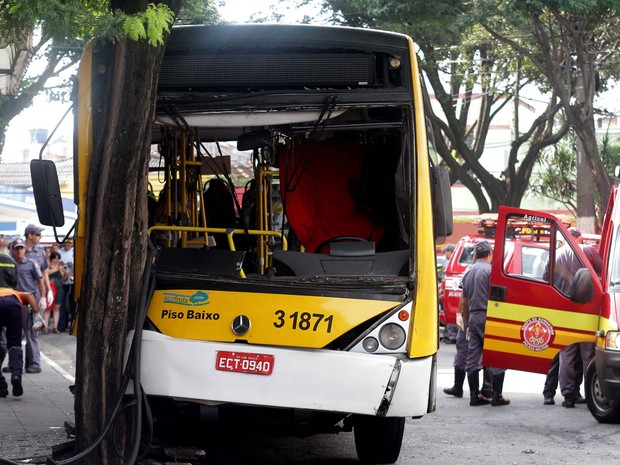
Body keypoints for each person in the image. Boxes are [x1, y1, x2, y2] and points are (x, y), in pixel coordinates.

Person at [462, 240, 510, 407]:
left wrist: (467, 323)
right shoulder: (491, 272)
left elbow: (464, 301)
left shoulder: (468, 272)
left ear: (476, 254)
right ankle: (496, 396)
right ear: (490, 254)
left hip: (474, 317)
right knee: (497, 355)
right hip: (489, 317)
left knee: (473, 357)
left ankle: (474, 397)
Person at [0, 252, 43, 397]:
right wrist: (37, 316)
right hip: (14, 305)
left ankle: (1, 386)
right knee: (15, 345)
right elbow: (29, 296)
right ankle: (16, 375)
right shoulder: (14, 292)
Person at [11, 238, 46, 374]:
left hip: (30, 300)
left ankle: (35, 363)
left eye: (21, 248)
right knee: (15, 333)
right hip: (16, 300)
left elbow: (40, 281)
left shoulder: (31, 263)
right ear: (13, 250)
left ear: (24, 249)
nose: (19, 250)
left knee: (31, 332)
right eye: (17, 248)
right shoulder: (12, 264)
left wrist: (43, 297)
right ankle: (16, 363)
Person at [24, 224, 54, 311]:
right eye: (37, 234)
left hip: (38, 291)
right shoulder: (18, 249)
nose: (40, 237)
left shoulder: (40, 251)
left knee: (38, 320)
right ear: (30, 235)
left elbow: (45, 272)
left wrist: (49, 290)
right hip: (22, 289)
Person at [44, 251, 67, 334]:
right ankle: (46, 327)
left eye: (58, 258)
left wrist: (63, 272)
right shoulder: (47, 265)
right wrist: (56, 269)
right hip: (49, 288)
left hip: (59, 288)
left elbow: (64, 279)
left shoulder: (60, 265)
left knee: (57, 307)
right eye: (55, 258)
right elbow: (46, 273)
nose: (56, 260)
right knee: (48, 307)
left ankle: (55, 327)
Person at [442, 243, 459, 344]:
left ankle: (450, 336)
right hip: (448, 292)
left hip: (448, 292)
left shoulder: (450, 264)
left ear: (450, 252)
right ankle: (448, 335)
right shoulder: (450, 263)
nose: (445, 254)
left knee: (449, 312)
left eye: (446, 252)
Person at [58, 240, 75, 332]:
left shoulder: (74, 251)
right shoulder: (60, 252)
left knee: (72, 303)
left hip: (72, 281)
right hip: (62, 281)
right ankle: (62, 325)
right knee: (62, 303)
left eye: (69, 243)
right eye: (66, 243)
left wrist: (72, 266)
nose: (67, 244)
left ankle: (73, 323)